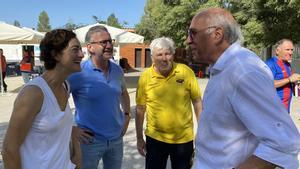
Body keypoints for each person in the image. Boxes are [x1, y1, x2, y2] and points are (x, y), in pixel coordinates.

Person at [187, 7, 300, 169]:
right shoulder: (224, 68)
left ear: (217, 35)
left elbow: (284, 142)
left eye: (193, 33)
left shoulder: (243, 71)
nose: (188, 40)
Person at [2, 29, 84, 169]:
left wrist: (77, 154)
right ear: (56, 54)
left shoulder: (65, 86)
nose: (82, 55)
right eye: (75, 49)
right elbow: (9, 150)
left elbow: (64, 124)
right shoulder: (33, 94)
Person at [68, 25, 131, 169]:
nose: (109, 45)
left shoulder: (117, 70)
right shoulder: (78, 72)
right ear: (90, 47)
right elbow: (59, 103)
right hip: (89, 142)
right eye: (104, 42)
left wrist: (127, 116)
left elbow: (124, 93)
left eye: (110, 41)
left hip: (116, 139)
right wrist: (71, 129)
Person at [135, 37, 202, 169]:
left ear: (173, 54)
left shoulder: (186, 72)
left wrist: (202, 132)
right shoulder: (145, 77)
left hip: (183, 139)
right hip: (155, 139)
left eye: (167, 53)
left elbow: (197, 102)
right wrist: (139, 138)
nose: (164, 58)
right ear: (152, 57)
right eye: (159, 54)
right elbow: (140, 109)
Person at [266, 39, 300, 113]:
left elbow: (293, 78)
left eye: (292, 50)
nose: (290, 52)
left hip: (285, 108)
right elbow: (267, 84)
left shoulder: (287, 64)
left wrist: (296, 82)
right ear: (277, 51)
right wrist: (289, 80)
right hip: (274, 109)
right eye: (287, 50)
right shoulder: (270, 64)